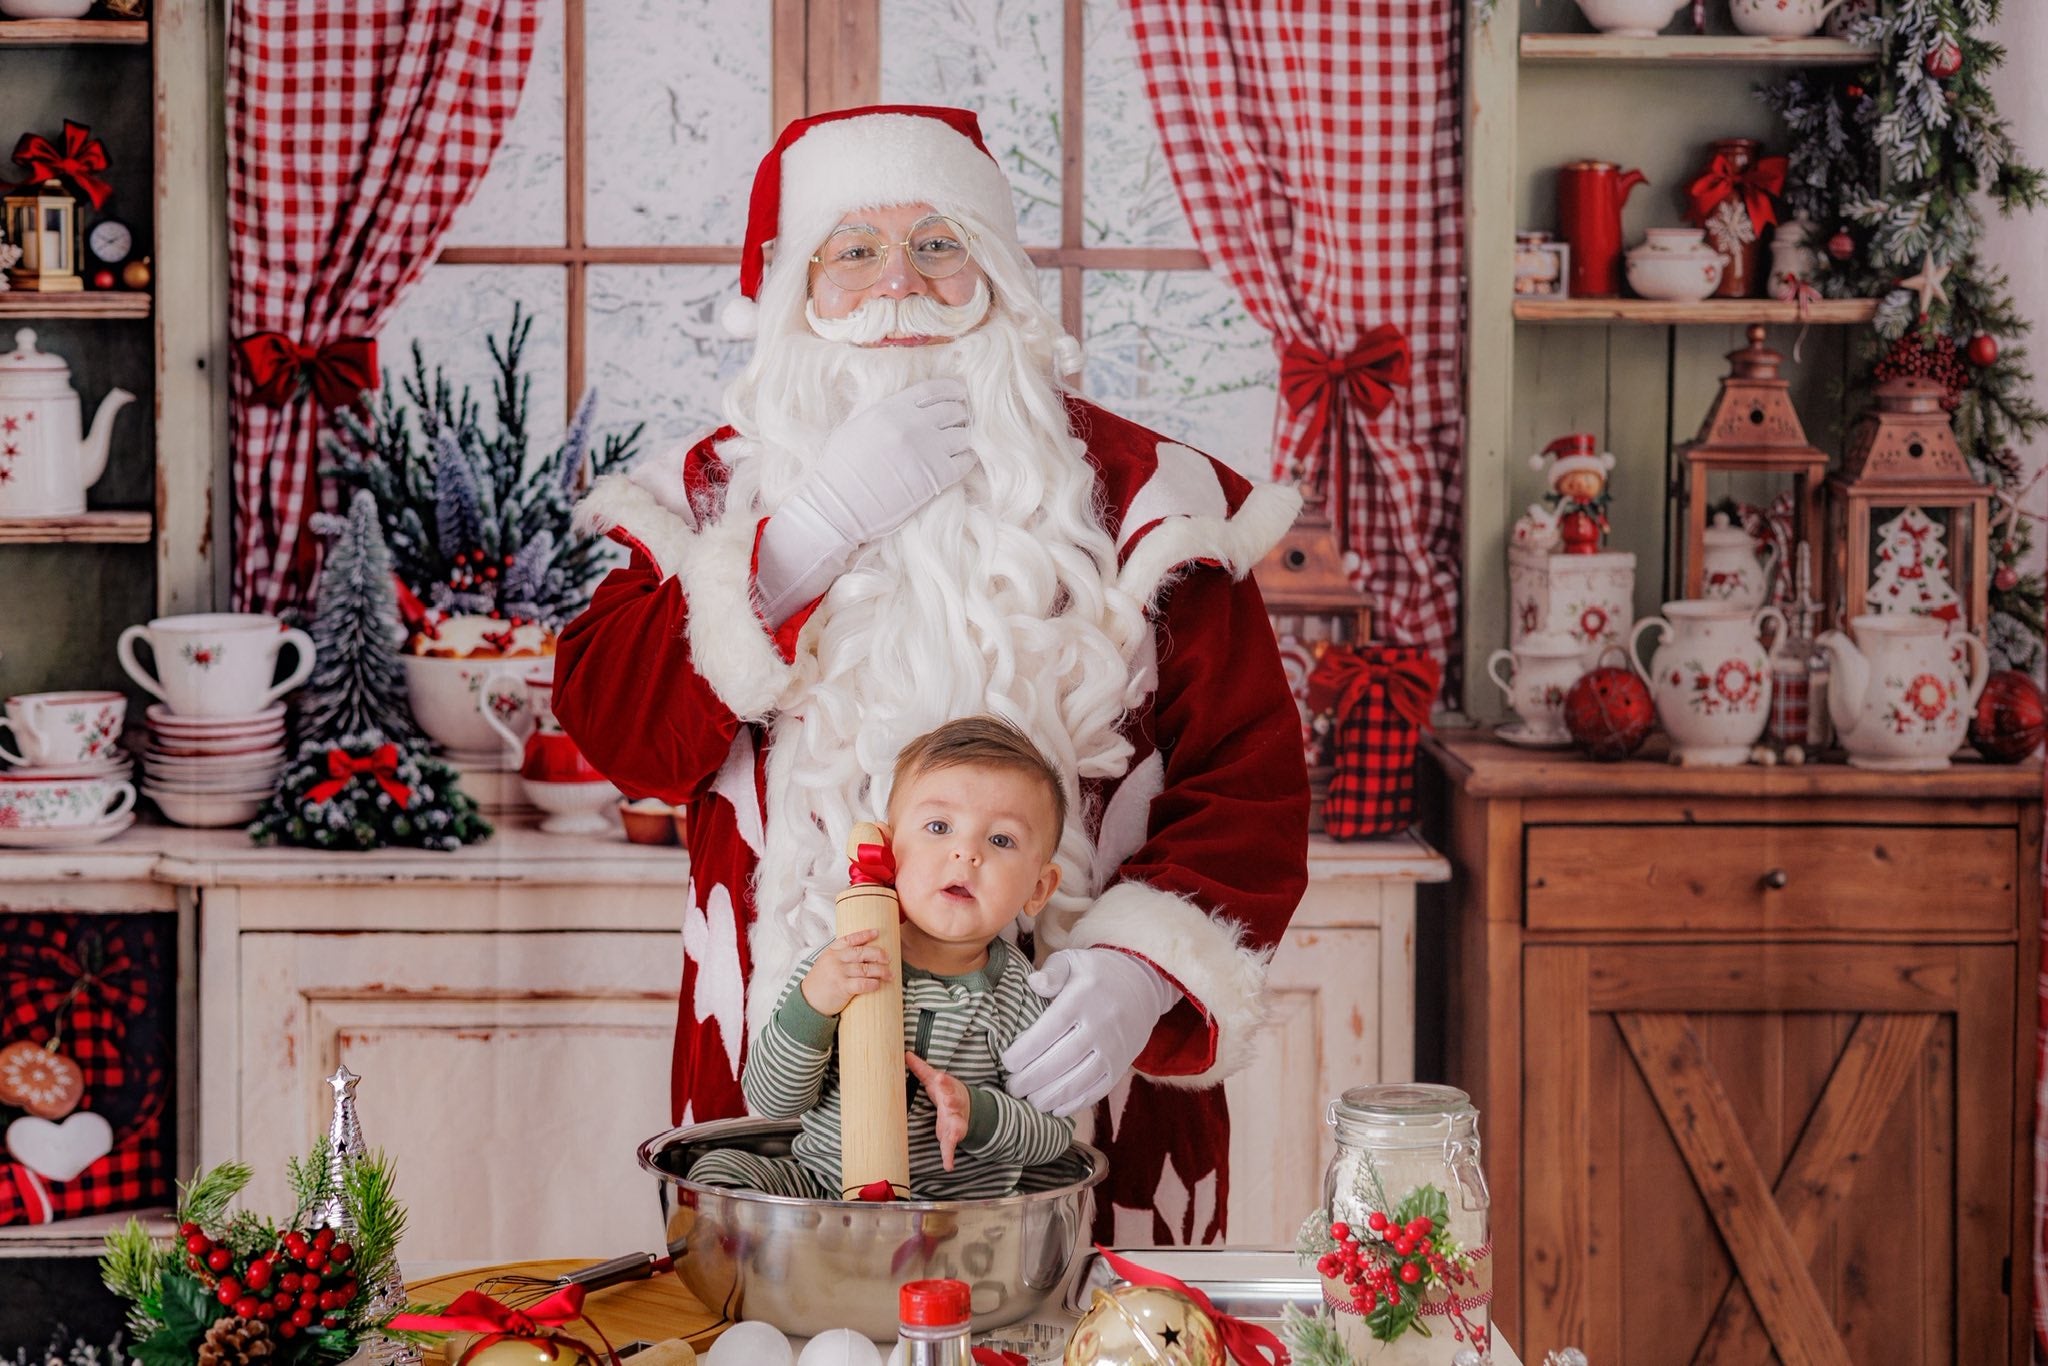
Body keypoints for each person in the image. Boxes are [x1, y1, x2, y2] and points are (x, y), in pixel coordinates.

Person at [556, 104, 1309, 1243]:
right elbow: (618, 732)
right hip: (779, 1118)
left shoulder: (1153, 501)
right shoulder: (702, 503)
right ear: (794, 291)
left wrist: (1141, 972)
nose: (896, 283)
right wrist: (803, 538)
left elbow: (1249, 782)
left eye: (937, 242)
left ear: (997, 268)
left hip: (1084, 1117)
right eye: (850, 250)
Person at [690, 716, 1074, 1200]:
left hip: (955, 1212)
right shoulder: (842, 960)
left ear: (1038, 889)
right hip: (823, 1192)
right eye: (939, 826)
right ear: (890, 851)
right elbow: (772, 1098)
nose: (966, 853)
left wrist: (976, 1112)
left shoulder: (1022, 995)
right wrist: (814, 1005)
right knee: (719, 1174)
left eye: (1001, 840)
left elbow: (1053, 1134)